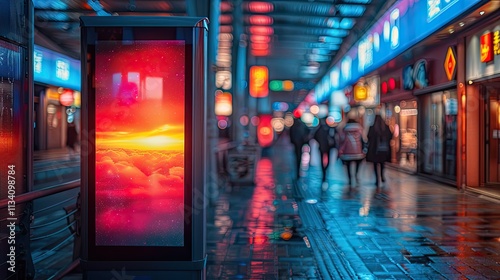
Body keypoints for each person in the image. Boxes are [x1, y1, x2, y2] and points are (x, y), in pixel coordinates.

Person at [338, 114, 367, 186]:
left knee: (348, 165)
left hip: (347, 152)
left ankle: (350, 178)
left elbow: (341, 140)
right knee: (357, 163)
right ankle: (356, 175)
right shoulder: (360, 129)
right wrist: (363, 149)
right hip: (358, 151)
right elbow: (363, 140)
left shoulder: (344, 129)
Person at [366, 114, 392, 187]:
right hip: (384, 149)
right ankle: (382, 176)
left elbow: (368, 137)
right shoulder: (386, 127)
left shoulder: (372, 128)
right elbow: (390, 136)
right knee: (382, 163)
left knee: (375, 164)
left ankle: (377, 179)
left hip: (375, 150)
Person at [313, 118, 335, 183]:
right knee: (328, 159)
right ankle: (325, 170)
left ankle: (323, 171)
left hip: (322, 147)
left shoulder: (319, 129)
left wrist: (319, 142)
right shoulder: (329, 128)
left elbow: (315, 136)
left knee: (321, 160)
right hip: (328, 146)